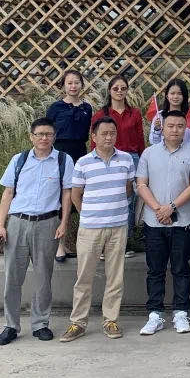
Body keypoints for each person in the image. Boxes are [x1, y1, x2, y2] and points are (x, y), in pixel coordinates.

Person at [0, 117, 73, 345]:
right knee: (12, 277)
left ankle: (40, 324)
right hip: (18, 223)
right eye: (39, 134)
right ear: (31, 137)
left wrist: (64, 223)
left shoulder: (63, 160)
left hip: (47, 223)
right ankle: (11, 325)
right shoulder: (19, 160)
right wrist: (0, 226)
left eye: (48, 134)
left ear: (54, 137)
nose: (44, 138)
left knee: (43, 277)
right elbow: (8, 193)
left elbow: (67, 193)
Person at [59, 116, 135, 342]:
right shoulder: (83, 163)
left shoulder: (126, 160)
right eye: (104, 133)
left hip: (118, 226)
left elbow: (128, 189)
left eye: (112, 133)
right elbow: (75, 194)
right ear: (94, 136)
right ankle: (78, 322)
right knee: (84, 277)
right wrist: (88, 214)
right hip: (90, 228)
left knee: (115, 277)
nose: (109, 137)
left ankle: (111, 320)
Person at [136, 111, 190, 336]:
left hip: (182, 222)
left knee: (181, 268)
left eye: (180, 126)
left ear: (185, 129)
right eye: (171, 125)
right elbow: (141, 184)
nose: (175, 129)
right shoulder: (149, 153)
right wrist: (158, 208)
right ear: (162, 128)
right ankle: (155, 314)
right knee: (155, 270)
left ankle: (181, 312)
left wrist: (171, 207)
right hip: (154, 222)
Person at [90, 75, 145, 258]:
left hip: (132, 158)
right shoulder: (100, 115)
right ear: (109, 91)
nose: (120, 91)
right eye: (116, 88)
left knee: (129, 201)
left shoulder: (134, 113)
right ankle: (104, 245)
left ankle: (124, 242)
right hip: (108, 158)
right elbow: (94, 140)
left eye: (123, 88)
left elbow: (140, 139)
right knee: (108, 199)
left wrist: (143, 162)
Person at [46, 69, 92, 263]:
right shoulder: (55, 108)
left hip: (80, 153)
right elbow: (47, 132)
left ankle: (86, 243)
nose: (73, 86)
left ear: (82, 85)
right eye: (69, 83)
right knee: (61, 198)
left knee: (80, 197)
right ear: (63, 86)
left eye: (76, 82)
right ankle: (60, 245)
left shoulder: (87, 108)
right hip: (60, 154)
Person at [149, 78, 190, 150]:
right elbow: (153, 142)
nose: (175, 97)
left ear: (184, 96)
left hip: (185, 155)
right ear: (167, 96)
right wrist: (157, 129)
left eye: (179, 93)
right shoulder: (160, 116)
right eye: (172, 93)